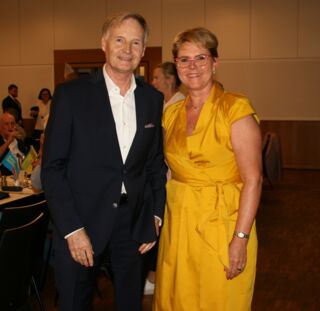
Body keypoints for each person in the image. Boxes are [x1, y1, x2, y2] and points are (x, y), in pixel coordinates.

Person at [41, 12, 166, 311]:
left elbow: (154, 165)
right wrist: (72, 230)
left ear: (144, 50)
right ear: (104, 44)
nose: (127, 49)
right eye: (120, 40)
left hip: (133, 225)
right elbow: (52, 168)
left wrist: (156, 216)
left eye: (136, 42)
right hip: (81, 222)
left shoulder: (152, 99)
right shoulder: (70, 95)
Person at [153, 27, 262, 311]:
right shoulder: (171, 113)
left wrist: (240, 239)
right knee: (178, 298)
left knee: (220, 299)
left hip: (224, 223)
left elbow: (253, 180)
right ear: (176, 66)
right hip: (179, 221)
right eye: (184, 60)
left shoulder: (235, 109)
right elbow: (161, 170)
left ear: (215, 62)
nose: (193, 67)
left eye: (200, 58)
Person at [143, 62, 186, 295]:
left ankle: (154, 276)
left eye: (157, 77)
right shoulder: (163, 105)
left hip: (171, 179)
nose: (153, 82)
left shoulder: (178, 107)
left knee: (160, 227)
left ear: (170, 80)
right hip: (160, 176)